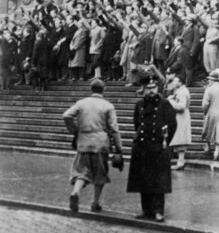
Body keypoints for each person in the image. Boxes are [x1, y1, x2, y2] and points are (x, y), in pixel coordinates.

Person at [62, 78, 123, 213]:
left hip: (83, 142)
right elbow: (114, 128)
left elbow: (66, 115)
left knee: (81, 171)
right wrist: (119, 148)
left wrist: (75, 131)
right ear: (103, 90)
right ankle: (95, 203)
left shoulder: (82, 103)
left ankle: (76, 192)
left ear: (91, 89)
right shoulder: (108, 106)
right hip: (101, 143)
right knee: (100, 174)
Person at [127, 76, 177, 222]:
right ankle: (146, 210)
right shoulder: (139, 105)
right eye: (148, 88)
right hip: (143, 147)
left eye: (153, 88)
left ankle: (159, 211)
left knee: (159, 182)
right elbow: (137, 124)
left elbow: (172, 125)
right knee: (144, 180)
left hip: (158, 147)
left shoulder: (165, 104)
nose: (151, 91)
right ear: (144, 89)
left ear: (158, 88)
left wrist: (165, 143)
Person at [201, 69, 219, 161]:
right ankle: (216, 151)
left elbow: (205, 104)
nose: (209, 81)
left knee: (208, 129)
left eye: (210, 79)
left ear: (213, 80)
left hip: (211, 111)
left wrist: (205, 112)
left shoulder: (208, 89)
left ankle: (208, 147)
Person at [166, 73, 191, 171]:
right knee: (179, 138)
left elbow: (181, 106)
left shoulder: (182, 92)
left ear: (180, 82)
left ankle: (180, 162)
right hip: (181, 117)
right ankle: (180, 161)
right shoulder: (181, 90)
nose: (174, 83)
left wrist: (170, 101)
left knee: (180, 139)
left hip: (181, 117)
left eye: (176, 81)